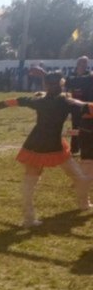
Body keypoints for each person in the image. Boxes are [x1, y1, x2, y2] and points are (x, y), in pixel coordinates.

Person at [0, 71, 91, 226]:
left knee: (30, 182)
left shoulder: (41, 101)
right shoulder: (65, 101)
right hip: (52, 145)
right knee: (79, 177)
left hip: (36, 143)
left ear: (46, 85)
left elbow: (20, 100)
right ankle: (83, 204)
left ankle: (29, 219)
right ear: (61, 83)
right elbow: (84, 107)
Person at [66, 56, 93, 206]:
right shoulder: (78, 78)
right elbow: (69, 86)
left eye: (85, 63)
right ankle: (81, 181)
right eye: (81, 63)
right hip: (84, 115)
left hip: (87, 112)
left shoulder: (89, 78)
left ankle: (80, 179)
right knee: (86, 154)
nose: (83, 65)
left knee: (87, 156)